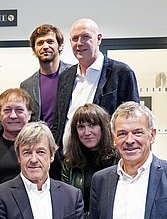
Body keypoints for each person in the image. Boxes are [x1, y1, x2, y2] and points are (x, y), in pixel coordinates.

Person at [56, 18, 139, 150]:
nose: (79, 43)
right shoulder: (65, 77)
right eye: (75, 38)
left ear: (99, 38)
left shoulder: (121, 73)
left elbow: (133, 120)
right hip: (69, 160)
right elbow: (59, 121)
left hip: (105, 159)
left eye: (85, 37)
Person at [0, 87, 61, 190]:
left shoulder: (45, 143)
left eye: (19, 110)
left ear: (29, 114)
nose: (13, 116)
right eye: (7, 110)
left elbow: (57, 178)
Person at [20, 24, 70, 132]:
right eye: (40, 43)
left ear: (60, 46)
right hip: (41, 143)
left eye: (50, 41)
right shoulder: (26, 86)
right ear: (34, 49)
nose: (45, 46)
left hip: (71, 142)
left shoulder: (75, 74)